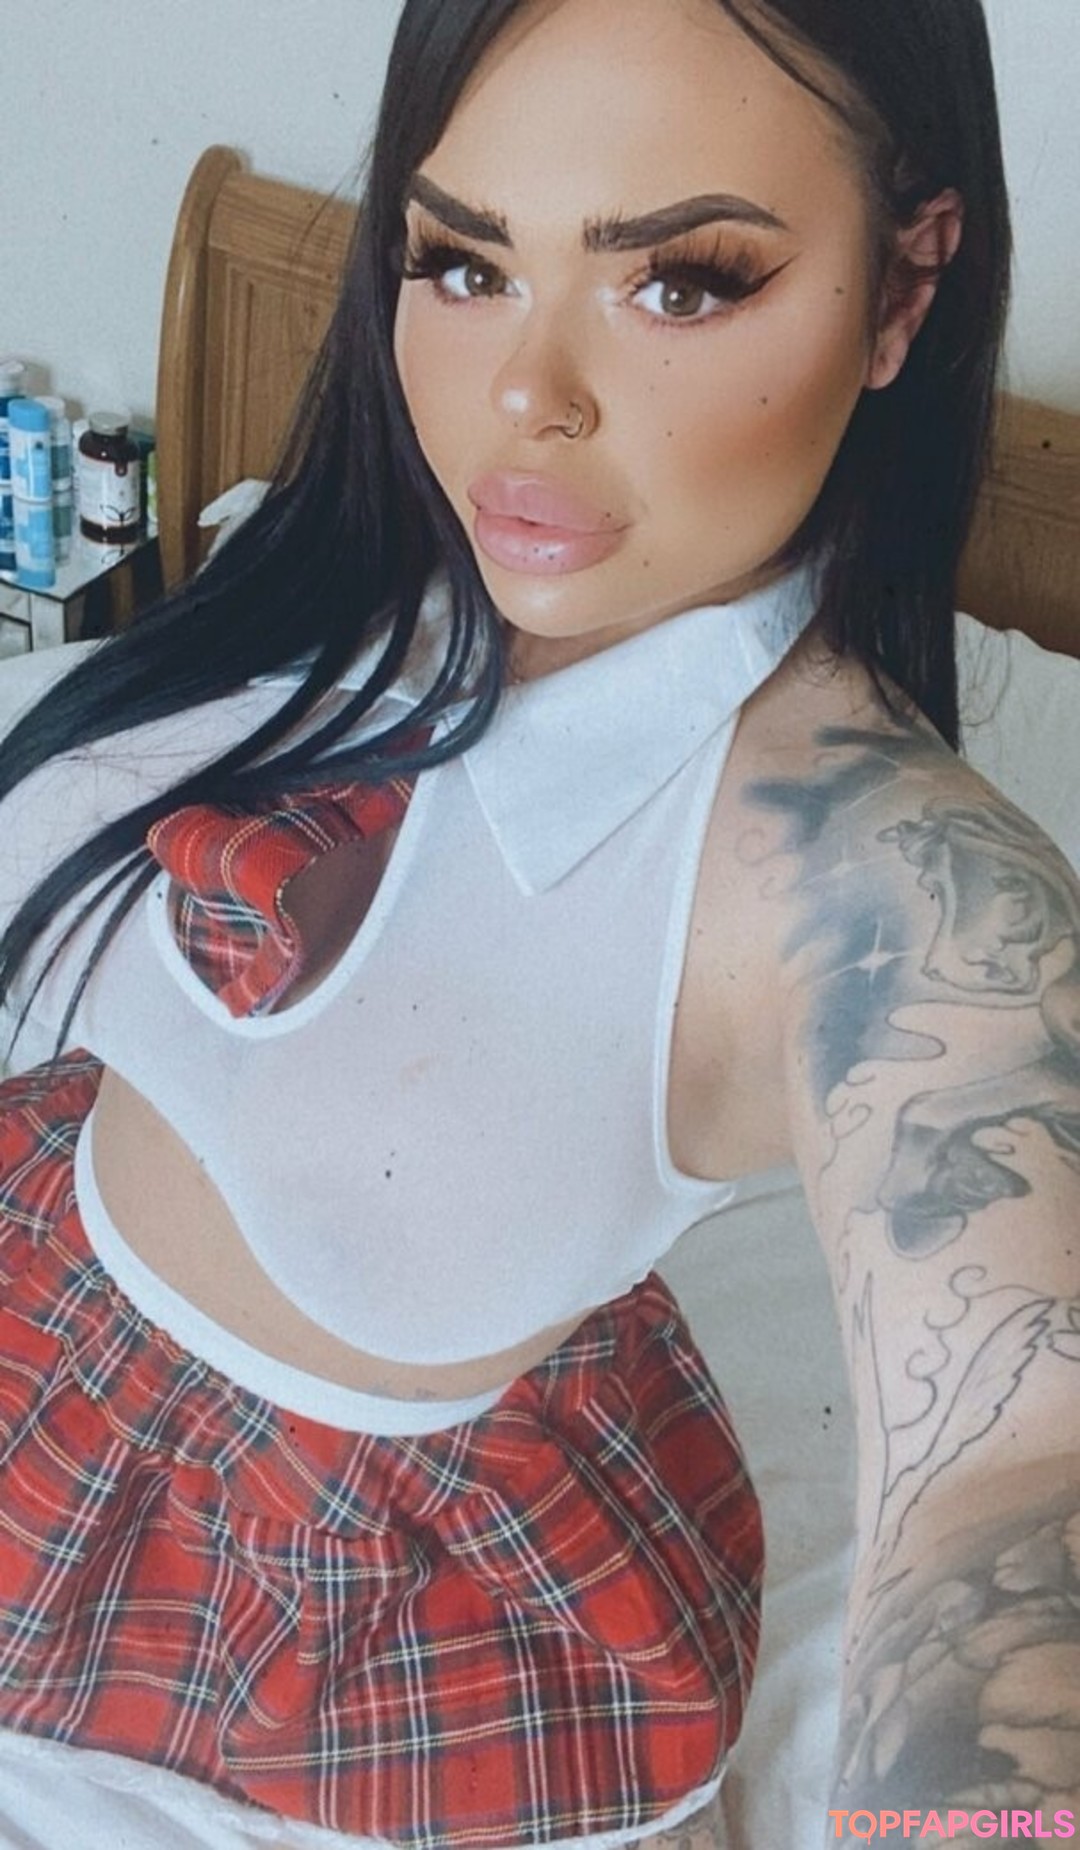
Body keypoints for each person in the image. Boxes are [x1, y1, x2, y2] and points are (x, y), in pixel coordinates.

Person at [0, 0, 1076, 1845]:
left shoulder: (884, 886)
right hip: (54, 1318)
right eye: (464, 262)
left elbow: (1017, 1468)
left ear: (905, 287)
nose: (524, 396)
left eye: (682, 283)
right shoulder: (343, 559)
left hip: (374, 1622)